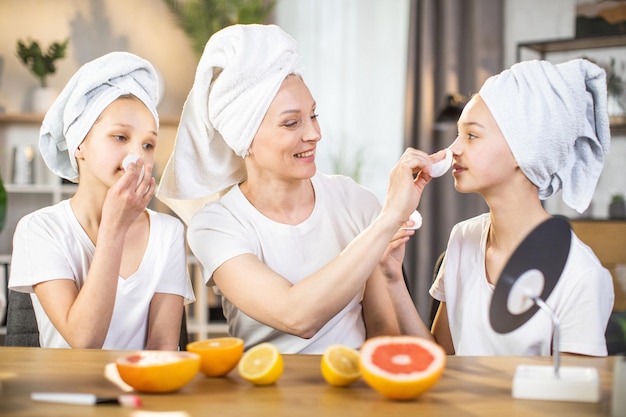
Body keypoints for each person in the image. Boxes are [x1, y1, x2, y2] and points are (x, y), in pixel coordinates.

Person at [156, 24, 445, 354]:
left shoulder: (356, 203)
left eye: (313, 115)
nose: (314, 134)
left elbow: (382, 332)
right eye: (291, 123)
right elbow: (296, 317)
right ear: (244, 139)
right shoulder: (216, 225)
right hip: (263, 396)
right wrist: (388, 219)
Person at [381, 58, 615, 356]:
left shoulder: (580, 273)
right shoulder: (463, 238)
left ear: (524, 150)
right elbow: (442, 359)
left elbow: (571, 398)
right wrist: (392, 276)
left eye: (472, 135)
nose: (453, 149)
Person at [9, 52, 195, 350]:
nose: (138, 155)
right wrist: (114, 227)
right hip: (68, 395)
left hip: (141, 393)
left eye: (148, 144)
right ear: (79, 143)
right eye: (120, 137)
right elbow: (84, 340)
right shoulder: (39, 229)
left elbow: (162, 351)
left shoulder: (168, 232)